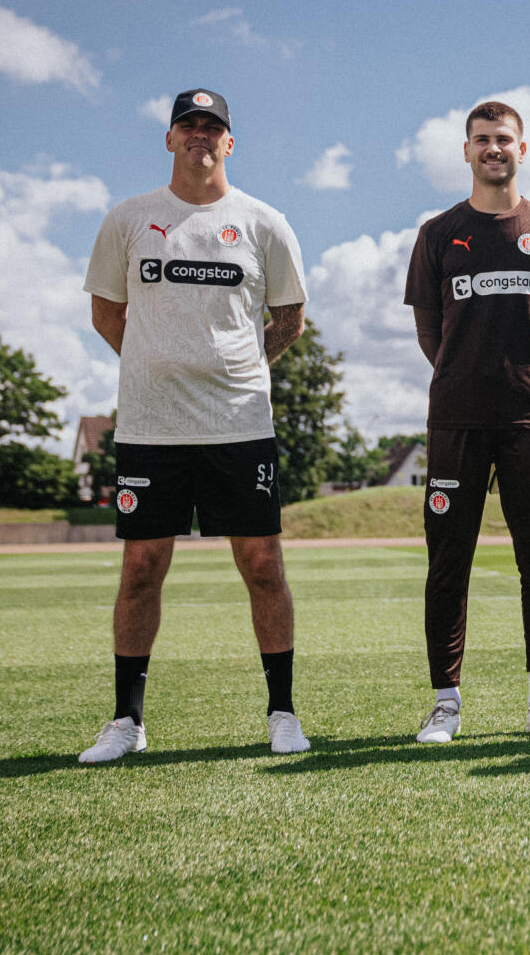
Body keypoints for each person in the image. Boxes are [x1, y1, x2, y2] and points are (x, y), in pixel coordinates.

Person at [78, 89, 311, 763]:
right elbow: (106, 314)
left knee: (262, 563)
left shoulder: (264, 222)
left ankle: (283, 711)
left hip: (239, 422)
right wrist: (159, 366)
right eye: (189, 125)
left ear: (230, 142)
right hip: (152, 426)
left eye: (214, 128)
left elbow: (289, 319)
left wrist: (233, 369)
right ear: (170, 137)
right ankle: (126, 720)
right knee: (142, 566)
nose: (201, 136)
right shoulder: (129, 219)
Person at [403, 101, 530, 742]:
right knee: (447, 561)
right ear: (466, 151)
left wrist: (526, 373)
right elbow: (430, 330)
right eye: (482, 140)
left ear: (521, 149)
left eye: (503, 139)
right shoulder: (436, 234)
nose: (493, 149)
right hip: (455, 418)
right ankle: (446, 704)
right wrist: (464, 373)